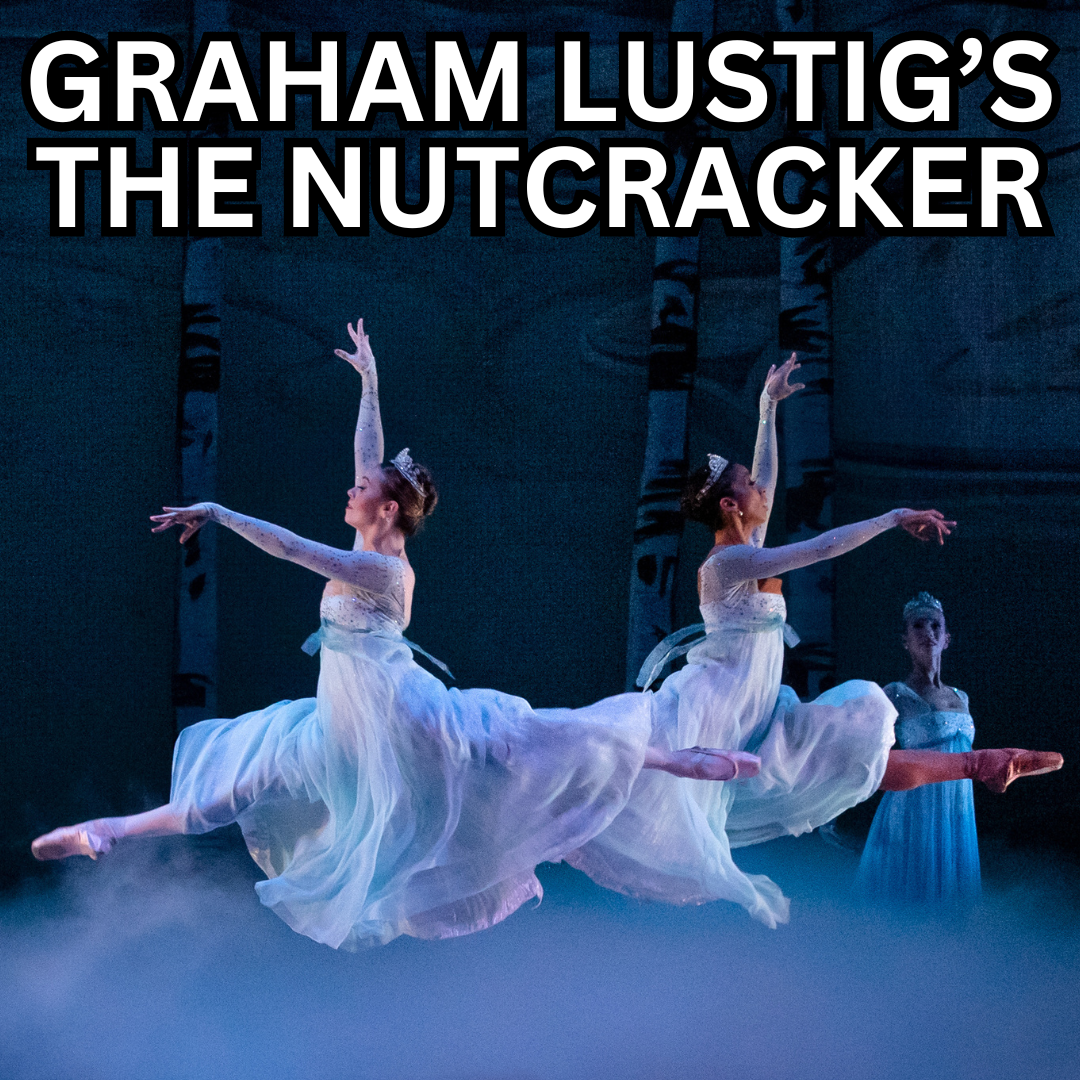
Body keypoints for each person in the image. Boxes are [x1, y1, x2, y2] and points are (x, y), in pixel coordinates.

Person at [30, 319, 757, 951]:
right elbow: (365, 454)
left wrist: (218, 510)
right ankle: (104, 832)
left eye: (363, 487)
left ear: (388, 510)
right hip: (340, 721)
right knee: (236, 781)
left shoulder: (380, 571)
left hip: (399, 717)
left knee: (530, 744)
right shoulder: (374, 536)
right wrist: (369, 385)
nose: (350, 488)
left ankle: (678, 759)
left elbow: (289, 548)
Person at [564, 355, 1062, 928]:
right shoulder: (728, 563)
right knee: (611, 761)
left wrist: (766, 406)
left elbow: (766, 478)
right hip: (716, 708)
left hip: (758, 709)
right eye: (746, 486)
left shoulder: (744, 536)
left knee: (856, 737)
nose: (758, 487)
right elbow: (819, 549)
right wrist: (894, 515)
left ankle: (985, 764)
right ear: (729, 504)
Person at [855, 593, 982, 901]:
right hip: (914, 807)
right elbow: (863, 749)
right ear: (905, 640)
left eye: (935, 626)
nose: (928, 633)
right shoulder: (894, 694)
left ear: (947, 638)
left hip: (955, 807)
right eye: (918, 626)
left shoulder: (961, 697)